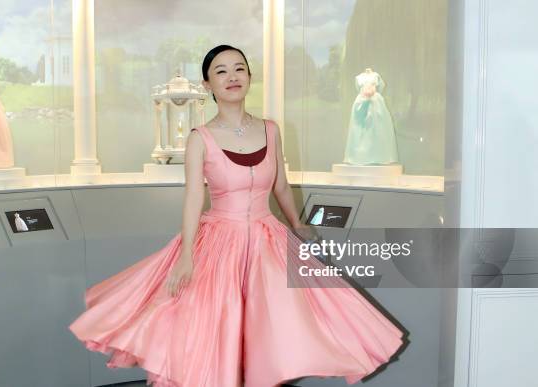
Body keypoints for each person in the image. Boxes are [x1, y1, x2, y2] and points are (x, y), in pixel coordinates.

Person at [69, 45, 405, 387]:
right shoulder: (201, 139)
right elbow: (192, 200)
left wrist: (298, 225)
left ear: (249, 77)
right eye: (221, 71)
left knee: (277, 331)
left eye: (239, 69)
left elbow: (282, 188)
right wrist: (186, 257)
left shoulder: (271, 130)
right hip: (218, 246)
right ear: (207, 85)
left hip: (267, 243)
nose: (232, 77)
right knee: (216, 335)